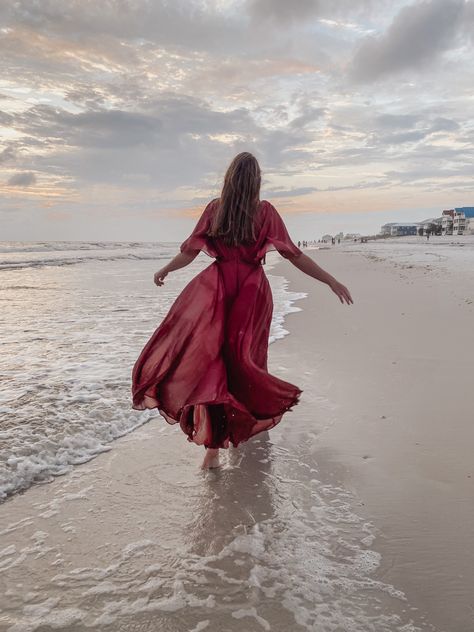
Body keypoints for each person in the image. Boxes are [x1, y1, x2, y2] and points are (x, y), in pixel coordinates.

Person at [131, 152, 353, 469]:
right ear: (257, 181)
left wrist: (165, 270)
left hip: (216, 291)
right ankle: (239, 428)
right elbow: (295, 256)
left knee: (215, 365)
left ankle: (214, 447)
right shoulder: (265, 212)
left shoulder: (214, 210)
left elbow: (190, 253)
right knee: (245, 363)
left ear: (229, 179)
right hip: (252, 294)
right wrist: (330, 281)